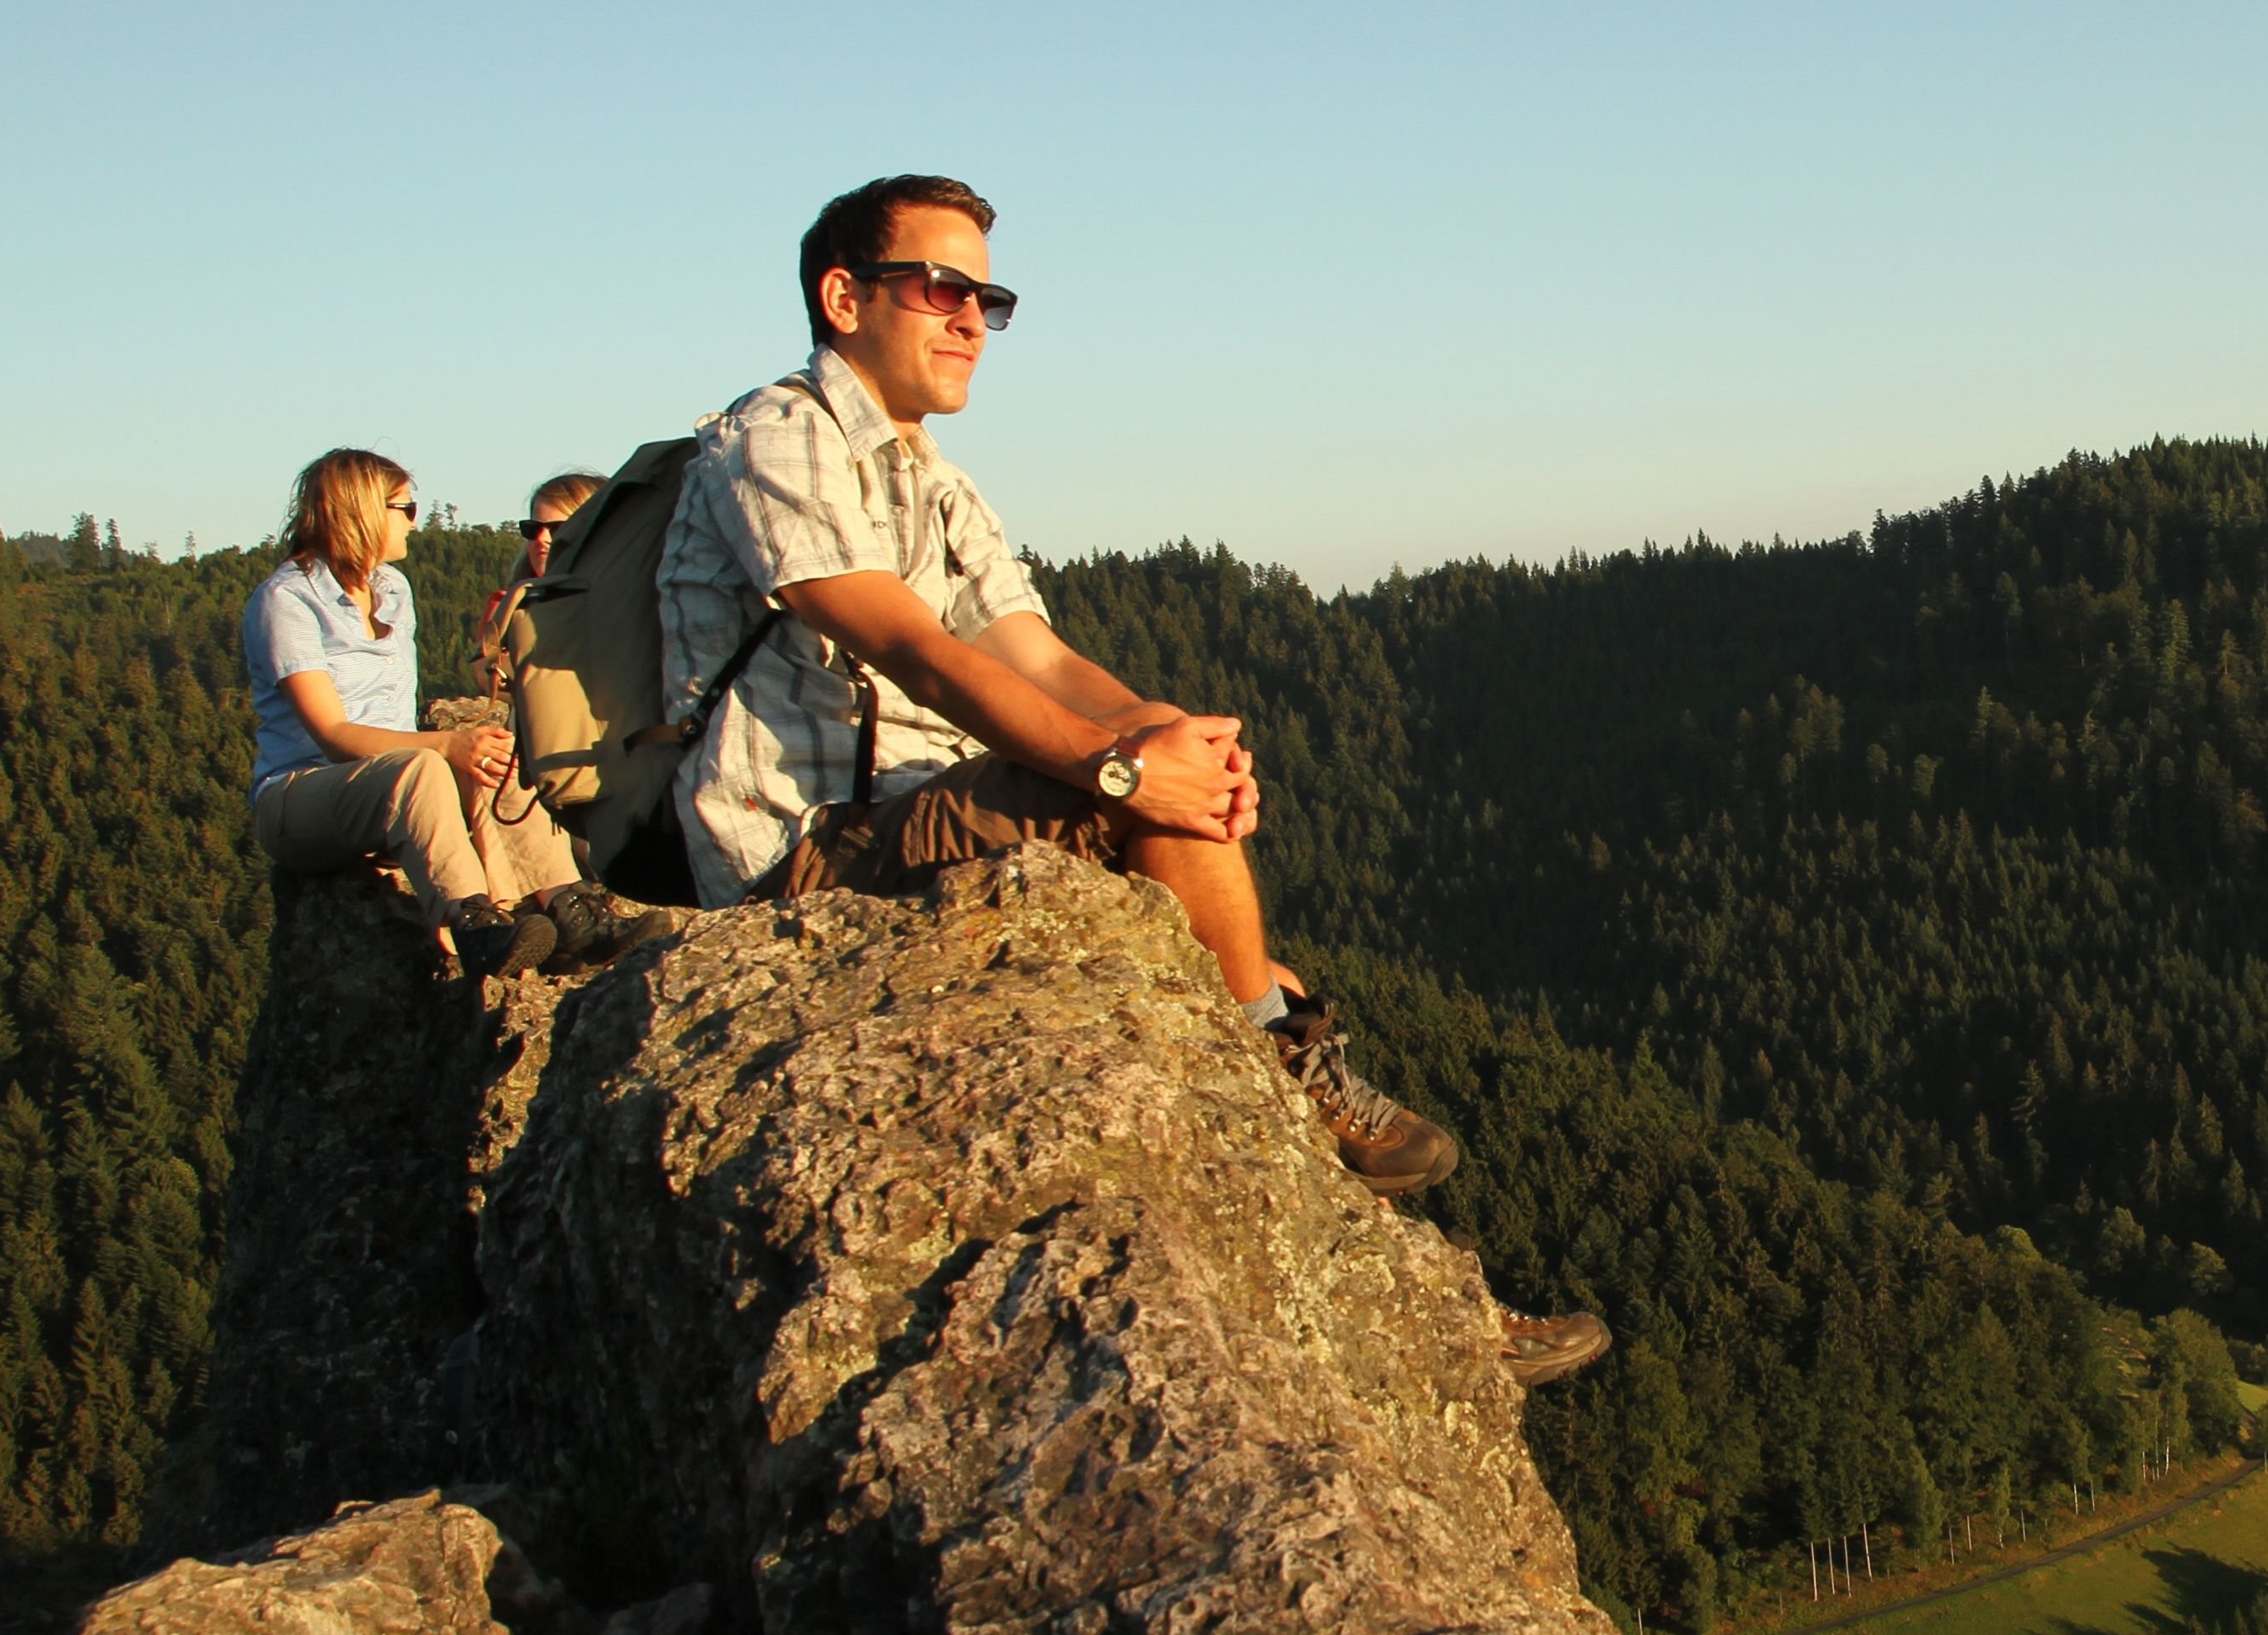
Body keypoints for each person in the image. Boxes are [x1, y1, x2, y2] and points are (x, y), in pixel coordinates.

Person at [653, 174, 1605, 1383]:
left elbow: (1037, 653)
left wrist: (1178, 743)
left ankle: (1419, 1296)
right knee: (1233, 986)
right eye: (938, 288)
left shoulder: (931, 480)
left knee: (1239, 957)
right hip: (800, 846)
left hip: (910, 812)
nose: (966, 320)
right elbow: (915, 650)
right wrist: (1120, 773)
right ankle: (1340, 1163)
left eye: (985, 300)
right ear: (843, 297)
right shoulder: (777, 437)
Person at [241, 449, 639, 977]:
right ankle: (473, 924)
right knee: (424, 765)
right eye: (405, 508)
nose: (414, 520)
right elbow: (333, 735)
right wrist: (446, 747)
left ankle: (570, 915)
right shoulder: (287, 600)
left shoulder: (391, 590)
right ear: (361, 512)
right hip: (299, 795)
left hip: (383, 793)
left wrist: (466, 751)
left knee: (498, 755)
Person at [472, 467, 604, 688]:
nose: (541, 539)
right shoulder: (507, 606)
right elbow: (486, 677)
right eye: (533, 529)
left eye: (558, 529)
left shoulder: (630, 603)